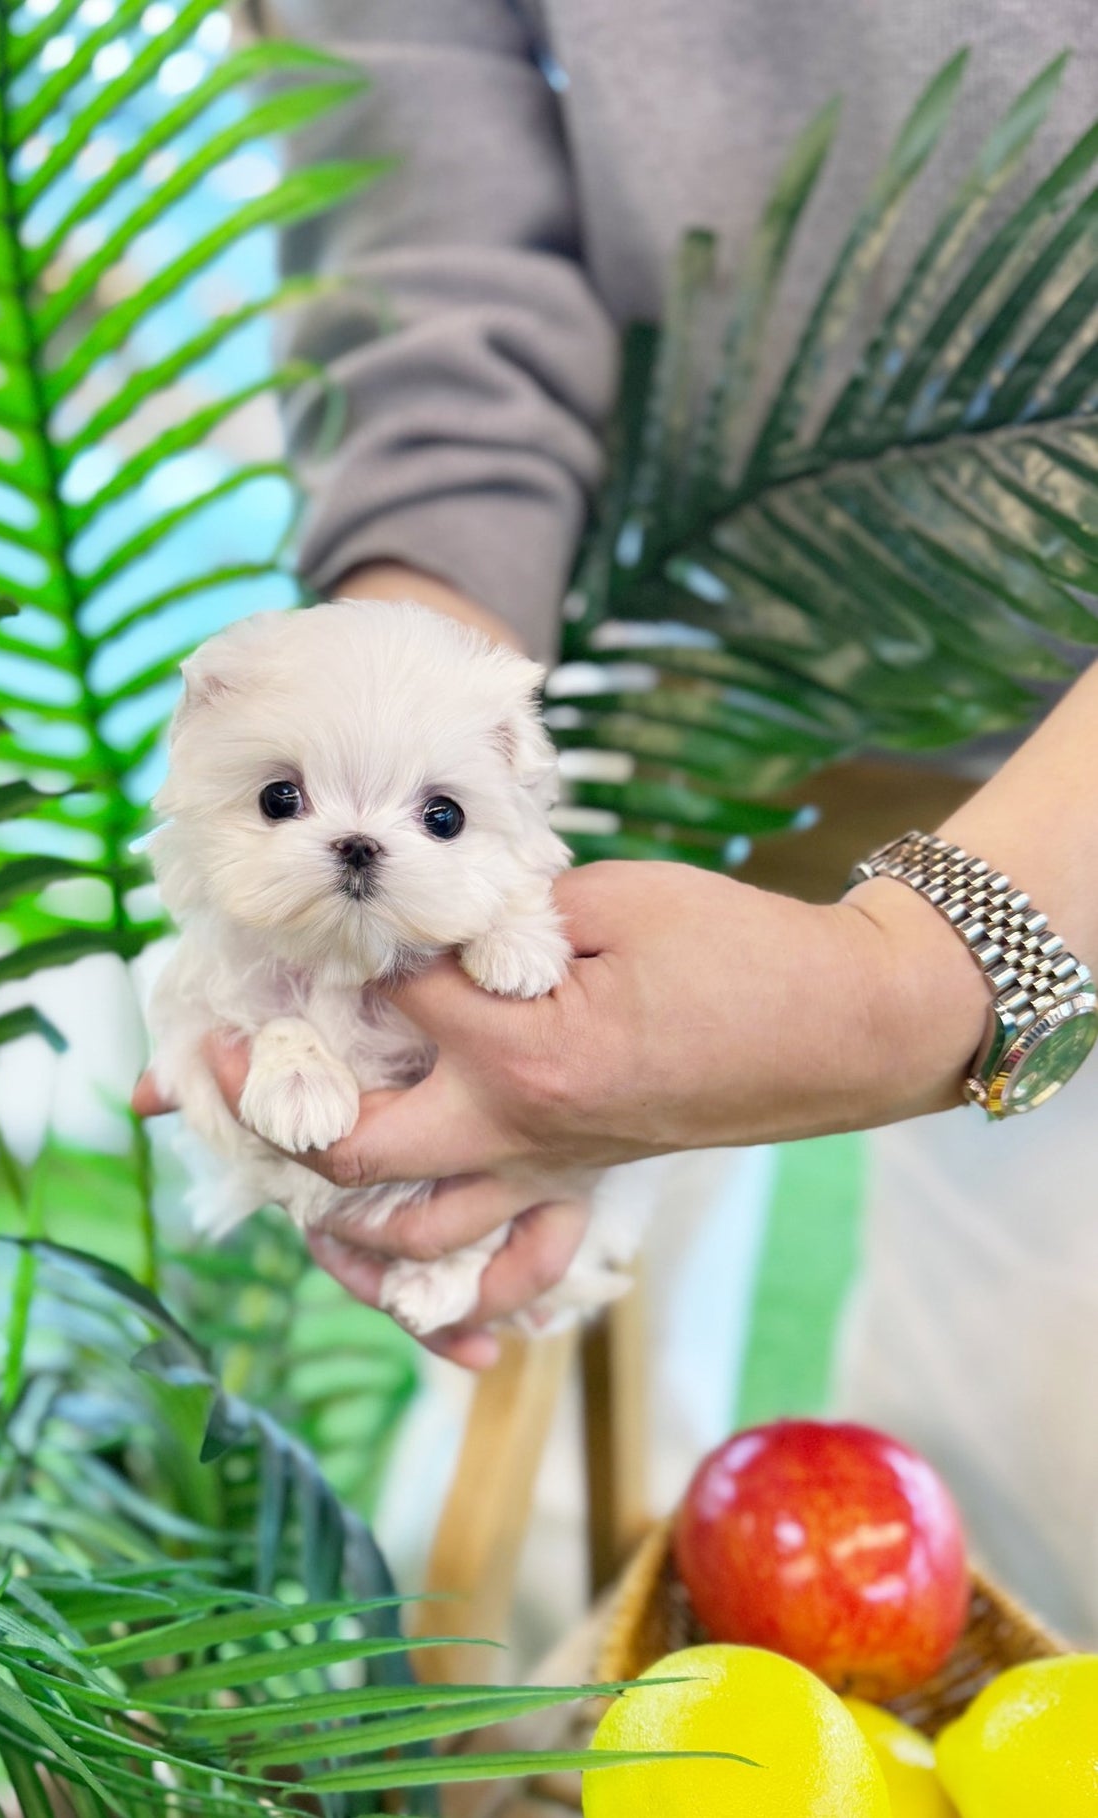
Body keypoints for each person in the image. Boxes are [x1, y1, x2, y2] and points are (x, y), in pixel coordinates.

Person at [136, 1, 1098, 1638]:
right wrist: (409, 698)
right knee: (522, 1536)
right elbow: (426, 246)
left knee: (1035, 1532)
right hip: (687, 660)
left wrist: (909, 985)